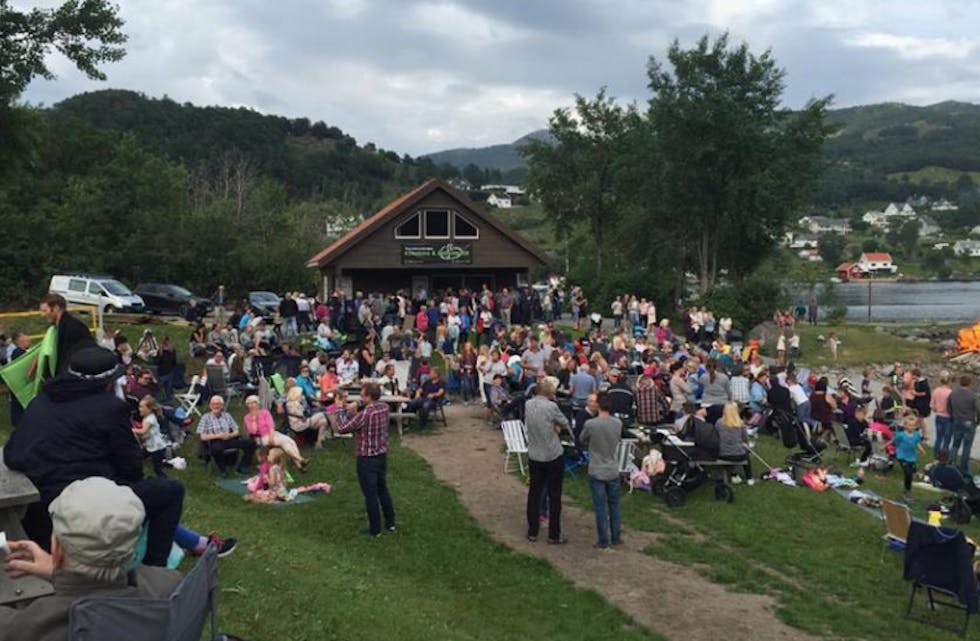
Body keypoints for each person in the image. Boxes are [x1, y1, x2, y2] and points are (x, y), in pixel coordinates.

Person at [4, 346, 184, 567]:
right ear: (107, 383)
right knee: (170, 491)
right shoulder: (110, 408)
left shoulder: (40, 401)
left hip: (34, 509)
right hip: (75, 508)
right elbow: (130, 466)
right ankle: (154, 569)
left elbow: (12, 453)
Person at [0, 478, 182, 641]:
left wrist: (63, 574)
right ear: (131, 546)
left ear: (57, 547)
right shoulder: (169, 587)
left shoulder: (35, 624)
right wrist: (58, 573)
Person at [334, 382, 396, 537]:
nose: (361, 398)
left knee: (370, 494)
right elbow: (366, 407)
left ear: (368, 396)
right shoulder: (384, 407)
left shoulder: (366, 414)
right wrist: (356, 404)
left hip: (366, 458)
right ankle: (390, 523)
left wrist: (339, 408)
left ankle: (375, 530)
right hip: (381, 455)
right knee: (383, 489)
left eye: (362, 395)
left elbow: (342, 427)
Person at [524, 379, 569, 544]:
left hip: (535, 454)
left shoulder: (528, 404)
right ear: (550, 392)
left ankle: (532, 530)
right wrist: (556, 428)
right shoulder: (551, 407)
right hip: (552, 454)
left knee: (534, 493)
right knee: (554, 495)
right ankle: (554, 534)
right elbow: (564, 423)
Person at [579, 391, 623, 549]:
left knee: (600, 507)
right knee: (614, 505)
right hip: (612, 468)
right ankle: (616, 536)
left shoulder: (591, 424)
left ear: (597, 405)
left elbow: (581, 438)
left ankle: (604, 539)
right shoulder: (617, 423)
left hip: (597, 468)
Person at [196, 395, 257, 475]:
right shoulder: (205, 417)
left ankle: (243, 466)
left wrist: (230, 435)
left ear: (222, 406)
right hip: (214, 440)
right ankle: (222, 470)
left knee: (251, 442)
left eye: (218, 404)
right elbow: (202, 436)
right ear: (210, 406)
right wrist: (217, 435)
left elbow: (236, 431)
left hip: (229, 438)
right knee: (216, 449)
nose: (216, 406)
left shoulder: (227, 416)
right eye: (213, 404)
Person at [243, 395, 308, 470]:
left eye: (254, 403)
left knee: (290, 441)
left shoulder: (265, 413)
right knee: (284, 442)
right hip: (260, 438)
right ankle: (300, 460)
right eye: (249, 403)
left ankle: (299, 465)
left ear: (258, 404)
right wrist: (254, 420)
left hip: (272, 433)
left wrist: (271, 436)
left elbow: (271, 425)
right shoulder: (247, 417)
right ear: (247, 405)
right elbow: (252, 431)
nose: (252, 405)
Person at [39, 293, 94, 376]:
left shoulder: (74, 328)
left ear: (56, 308)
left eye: (45, 311)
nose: (42, 315)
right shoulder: (56, 329)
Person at [948, 374, 980, 476]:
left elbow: (949, 407)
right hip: (969, 422)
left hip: (957, 420)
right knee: (967, 447)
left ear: (960, 382)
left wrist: (953, 416)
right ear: (970, 383)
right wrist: (977, 422)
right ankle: (964, 467)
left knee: (955, 445)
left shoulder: (953, 393)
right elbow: (978, 410)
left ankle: (951, 463)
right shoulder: (973, 395)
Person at [715, 402, 753, 484]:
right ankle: (749, 477)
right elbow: (745, 439)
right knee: (747, 453)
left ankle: (733, 475)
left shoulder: (718, 422)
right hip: (738, 454)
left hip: (723, 454)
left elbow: (716, 437)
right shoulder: (740, 423)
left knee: (731, 453)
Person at [891, 413, 926, 499]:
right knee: (908, 473)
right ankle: (907, 491)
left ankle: (908, 490)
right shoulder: (901, 435)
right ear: (905, 426)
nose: (912, 427)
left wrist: (921, 450)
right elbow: (893, 441)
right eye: (910, 425)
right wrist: (884, 447)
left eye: (913, 426)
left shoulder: (917, 434)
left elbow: (917, 443)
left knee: (911, 473)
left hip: (911, 457)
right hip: (901, 456)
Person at [133, 395, 169, 479]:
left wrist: (132, 430)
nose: (139, 409)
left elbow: (143, 431)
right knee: (137, 458)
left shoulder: (150, 419)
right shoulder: (146, 417)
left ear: (149, 409)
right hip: (150, 446)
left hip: (157, 447)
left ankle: (164, 481)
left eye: (142, 407)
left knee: (158, 469)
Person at [930, 372, 954, 458]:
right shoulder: (950, 392)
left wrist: (937, 409)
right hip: (947, 417)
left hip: (938, 416)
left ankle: (936, 455)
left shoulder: (936, 390)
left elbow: (932, 406)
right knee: (947, 438)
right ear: (949, 382)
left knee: (939, 437)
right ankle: (944, 456)